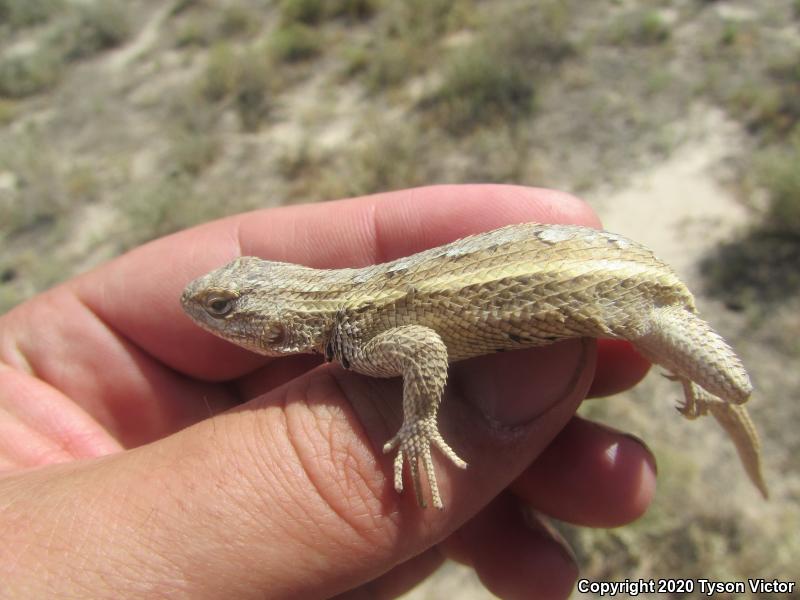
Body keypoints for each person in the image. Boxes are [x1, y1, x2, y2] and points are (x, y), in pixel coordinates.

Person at [0, 185, 655, 599]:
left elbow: (426, 349)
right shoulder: (339, 323)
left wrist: (421, 423)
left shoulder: (360, 337)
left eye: (227, 307)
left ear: (278, 323)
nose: (207, 310)